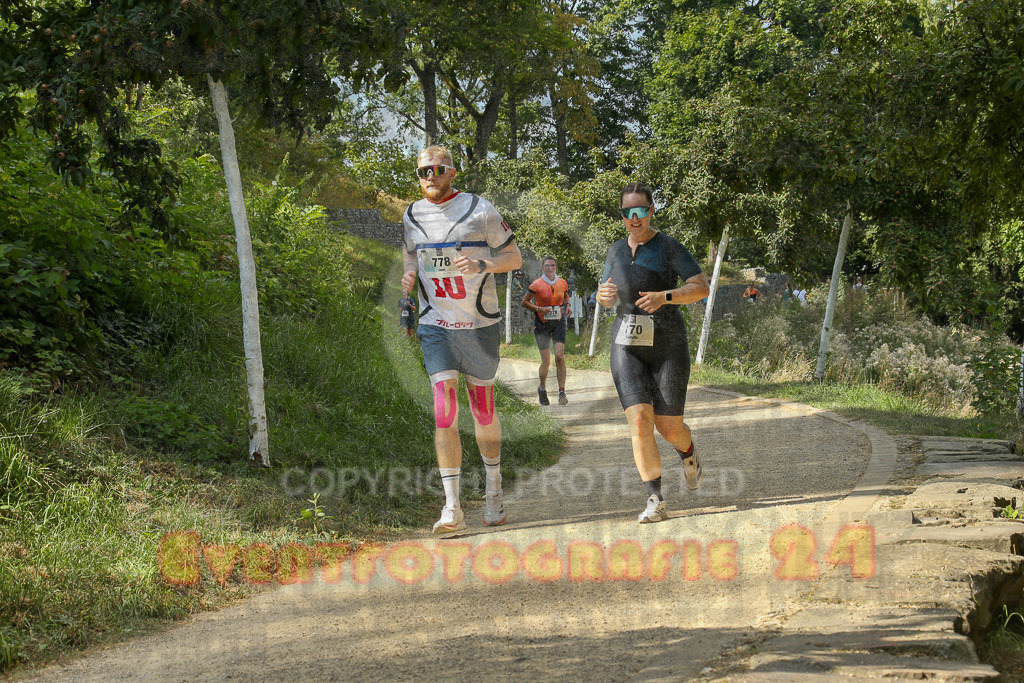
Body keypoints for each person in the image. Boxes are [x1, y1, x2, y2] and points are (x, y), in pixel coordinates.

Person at [401, 145, 523, 534]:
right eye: (423, 171)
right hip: (435, 325)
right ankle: (452, 506)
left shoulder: (479, 210)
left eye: (437, 169)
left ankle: (494, 490)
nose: (430, 176)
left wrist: (482, 263)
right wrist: (408, 278)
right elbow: (410, 256)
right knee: (444, 410)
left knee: (482, 409)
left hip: (478, 325)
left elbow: (515, 258)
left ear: (452, 172)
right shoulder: (411, 214)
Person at [596, 182, 710, 524]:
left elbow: (701, 287)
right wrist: (603, 297)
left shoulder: (668, 247)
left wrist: (665, 297)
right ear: (621, 215)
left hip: (668, 343)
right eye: (628, 212)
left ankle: (688, 453)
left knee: (669, 427)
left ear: (651, 210)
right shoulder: (616, 250)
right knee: (640, 419)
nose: (635, 218)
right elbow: (606, 296)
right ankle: (655, 499)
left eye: (641, 210)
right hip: (626, 342)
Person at [521, 255, 570, 406]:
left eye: (552, 265)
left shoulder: (562, 282)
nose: (550, 268)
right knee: (546, 361)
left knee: (559, 356)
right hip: (542, 324)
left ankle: (562, 392)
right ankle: (542, 388)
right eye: (547, 265)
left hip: (558, 323)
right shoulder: (536, 284)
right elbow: (524, 302)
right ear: (542, 268)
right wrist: (538, 309)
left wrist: (568, 306)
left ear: (556, 267)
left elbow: (566, 296)